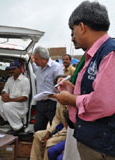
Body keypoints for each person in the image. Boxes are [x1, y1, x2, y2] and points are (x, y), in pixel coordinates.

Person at [52, 1, 115, 159]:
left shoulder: (109, 53)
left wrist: (71, 99)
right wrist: (73, 90)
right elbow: (97, 91)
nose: (73, 36)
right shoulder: (94, 54)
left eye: (73, 30)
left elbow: (103, 102)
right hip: (93, 140)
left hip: (102, 146)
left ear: (82, 26)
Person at [30, 75, 67, 160]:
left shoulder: (70, 100)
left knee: (50, 142)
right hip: (58, 130)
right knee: (38, 135)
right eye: (58, 86)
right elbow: (56, 120)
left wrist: (53, 136)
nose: (59, 88)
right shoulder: (60, 100)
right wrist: (49, 132)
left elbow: (69, 127)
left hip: (66, 134)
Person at [31, 46, 63, 132]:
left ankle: (51, 144)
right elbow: (33, 66)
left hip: (52, 103)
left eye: (36, 59)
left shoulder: (56, 67)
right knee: (38, 128)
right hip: (40, 103)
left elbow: (61, 86)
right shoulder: (38, 68)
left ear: (44, 59)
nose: (35, 61)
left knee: (55, 129)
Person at [0, 60, 30, 135]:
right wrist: (3, 94)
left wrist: (10, 100)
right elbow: (4, 90)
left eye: (14, 69)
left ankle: (18, 128)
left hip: (21, 105)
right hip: (10, 102)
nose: (12, 71)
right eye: (10, 69)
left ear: (19, 69)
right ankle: (6, 119)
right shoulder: (10, 79)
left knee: (6, 105)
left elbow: (24, 98)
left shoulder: (25, 80)